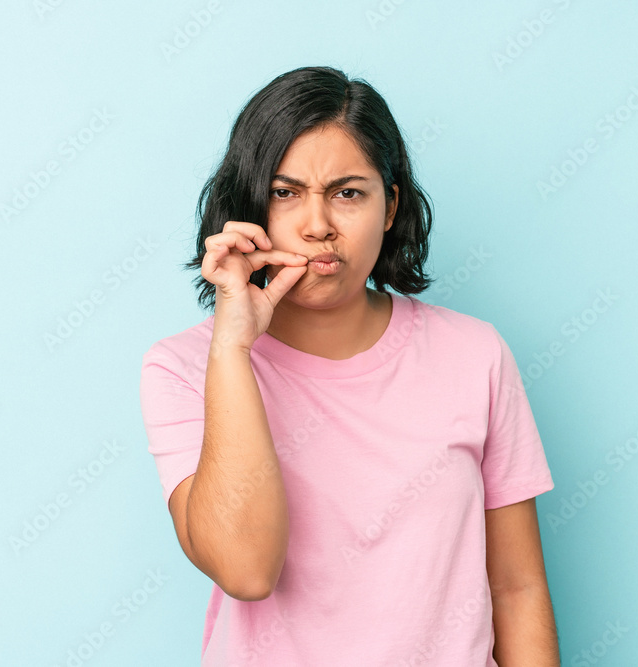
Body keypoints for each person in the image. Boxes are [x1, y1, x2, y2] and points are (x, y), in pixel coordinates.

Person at [140, 65, 560, 665]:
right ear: (249, 205)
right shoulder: (181, 369)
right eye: (285, 193)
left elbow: (517, 589)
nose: (318, 226)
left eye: (348, 193)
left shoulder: (475, 354)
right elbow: (246, 570)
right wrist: (232, 350)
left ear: (390, 206)